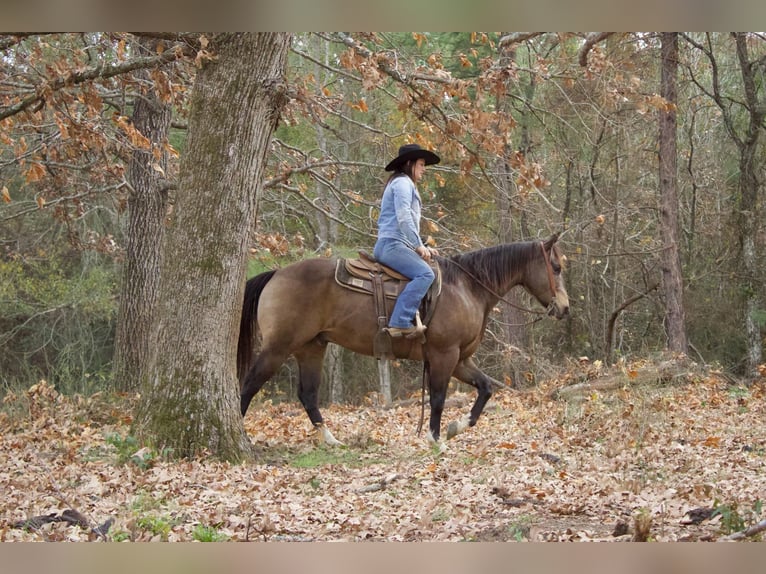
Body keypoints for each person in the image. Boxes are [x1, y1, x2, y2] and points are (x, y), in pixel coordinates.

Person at [373, 143, 440, 338]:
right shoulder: (402, 183)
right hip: (391, 245)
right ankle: (400, 321)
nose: (424, 169)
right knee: (426, 275)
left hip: (397, 244)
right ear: (409, 163)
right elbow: (403, 217)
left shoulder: (402, 183)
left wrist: (423, 245)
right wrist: (418, 245)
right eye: (420, 164)